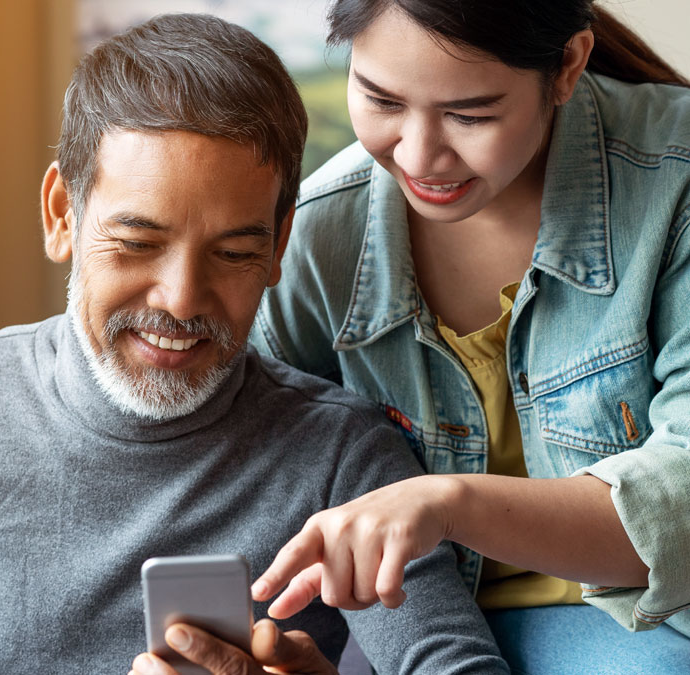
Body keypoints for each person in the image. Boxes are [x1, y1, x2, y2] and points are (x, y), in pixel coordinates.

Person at [0, 13, 508, 675]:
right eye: (138, 242)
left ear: (280, 244)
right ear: (62, 216)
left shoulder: (343, 458)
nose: (181, 300)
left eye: (232, 253)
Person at [249, 0, 690, 672]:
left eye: (471, 114)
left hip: (645, 620)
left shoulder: (674, 178)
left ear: (568, 65)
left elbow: (680, 497)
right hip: (421, 627)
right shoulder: (316, 242)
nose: (420, 155)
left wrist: (448, 504)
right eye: (380, 100)